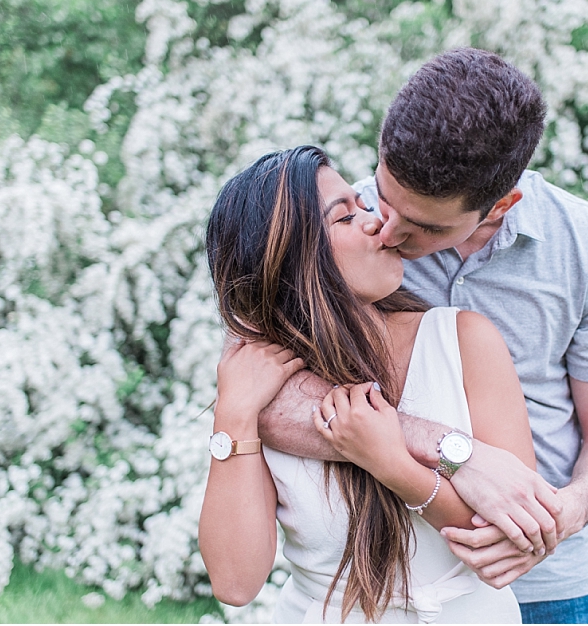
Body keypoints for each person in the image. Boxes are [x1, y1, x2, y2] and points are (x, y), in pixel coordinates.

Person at [246, 48, 588, 624]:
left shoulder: (587, 244)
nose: (389, 229)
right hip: (412, 582)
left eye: (426, 226)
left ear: (502, 204)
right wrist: (456, 454)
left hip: (558, 584)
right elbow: (255, 385)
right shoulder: (344, 228)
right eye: (384, 196)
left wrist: (556, 514)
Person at [198, 145, 530, 623]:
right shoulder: (263, 384)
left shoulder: (462, 341)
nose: (377, 222)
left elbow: (515, 530)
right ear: (291, 258)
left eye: (363, 206)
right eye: (344, 218)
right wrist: (232, 413)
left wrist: (392, 462)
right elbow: (235, 581)